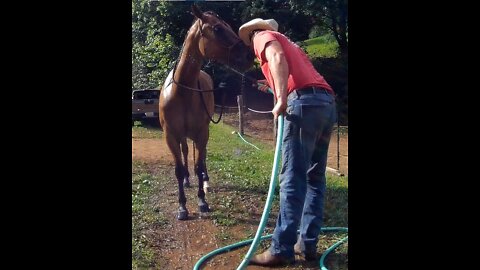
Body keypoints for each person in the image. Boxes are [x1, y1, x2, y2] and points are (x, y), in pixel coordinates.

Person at [238, 18, 338, 266]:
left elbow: (277, 60)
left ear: (252, 33)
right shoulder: (292, 44)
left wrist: (281, 98)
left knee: (292, 177)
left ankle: (282, 250)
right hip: (325, 104)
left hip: (302, 105)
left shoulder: (261, 37)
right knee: (315, 178)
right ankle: (307, 244)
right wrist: (271, 85)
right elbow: (290, 70)